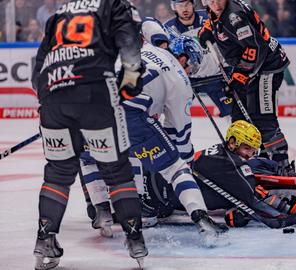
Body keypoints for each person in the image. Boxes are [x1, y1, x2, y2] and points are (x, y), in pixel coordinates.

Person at [79, 18, 228, 240]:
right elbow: (180, 134)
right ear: (183, 58)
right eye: (191, 65)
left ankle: (102, 210)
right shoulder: (180, 78)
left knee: (88, 157)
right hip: (129, 113)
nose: (190, 71)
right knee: (174, 167)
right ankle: (202, 218)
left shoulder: (144, 48)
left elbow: (147, 22)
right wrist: (184, 158)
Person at [31, 0, 147, 269]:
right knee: (116, 169)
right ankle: (134, 237)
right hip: (95, 89)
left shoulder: (59, 13)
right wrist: (127, 88)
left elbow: (38, 69)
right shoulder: (115, 4)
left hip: (53, 91)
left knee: (58, 172)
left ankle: (45, 237)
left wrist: (51, 100)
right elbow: (131, 49)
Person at [142, 120, 296, 229]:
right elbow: (268, 217)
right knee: (244, 204)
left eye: (253, 150)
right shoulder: (232, 165)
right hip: (157, 200)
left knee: (255, 171)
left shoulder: (226, 155)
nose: (249, 154)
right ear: (232, 142)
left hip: (157, 178)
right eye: (246, 149)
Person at [198, 0, 292, 172]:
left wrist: (239, 76)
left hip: (267, 67)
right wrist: (209, 29)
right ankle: (252, 159)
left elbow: (255, 48)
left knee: (263, 118)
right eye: (211, 1)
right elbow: (220, 23)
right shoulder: (217, 12)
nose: (216, 4)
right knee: (241, 116)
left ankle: (281, 163)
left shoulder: (235, 16)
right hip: (251, 68)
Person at [165, 0, 233, 118]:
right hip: (189, 79)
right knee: (176, 112)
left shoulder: (209, 17)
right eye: (180, 6)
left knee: (232, 112)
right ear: (174, 7)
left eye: (187, 4)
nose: (184, 9)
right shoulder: (169, 28)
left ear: (193, 4)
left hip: (217, 74)